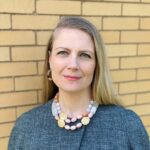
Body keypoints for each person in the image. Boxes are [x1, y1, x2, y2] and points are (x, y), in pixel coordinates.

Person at [8, 16, 149, 150]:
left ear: (97, 64)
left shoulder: (127, 125)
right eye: (63, 52)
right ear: (49, 59)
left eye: (84, 55)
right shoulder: (25, 127)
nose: (73, 65)